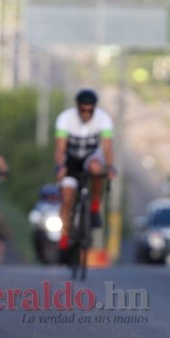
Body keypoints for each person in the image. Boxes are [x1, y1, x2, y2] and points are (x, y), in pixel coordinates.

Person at [54, 89, 116, 252]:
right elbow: (60, 147)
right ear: (77, 107)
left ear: (95, 108)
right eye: (83, 109)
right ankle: (64, 236)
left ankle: (95, 207)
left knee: (97, 169)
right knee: (67, 197)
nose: (86, 114)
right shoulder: (65, 118)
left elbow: (107, 146)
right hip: (71, 160)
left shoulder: (103, 119)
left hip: (91, 157)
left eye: (90, 110)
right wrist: (60, 166)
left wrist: (110, 167)